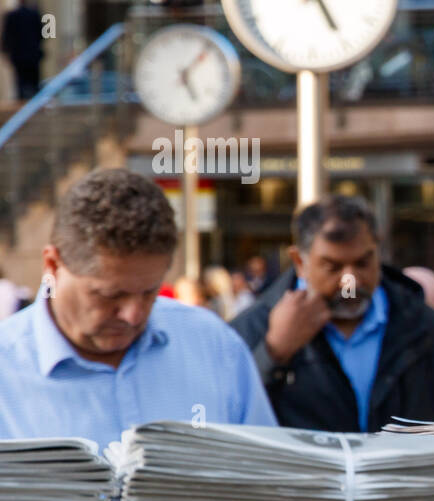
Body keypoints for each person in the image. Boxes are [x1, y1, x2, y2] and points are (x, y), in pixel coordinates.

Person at [0, 168, 276, 454]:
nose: (132, 315)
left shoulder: (216, 347)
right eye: (110, 295)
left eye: (150, 292)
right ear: (53, 265)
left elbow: (269, 478)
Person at [230, 195, 434, 432]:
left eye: (362, 263)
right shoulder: (250, 330)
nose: (350, 281)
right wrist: (272, 354)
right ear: (299, 262)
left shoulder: (430, 329)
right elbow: (228, 422)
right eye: (333, 267)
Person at [1, 0, 43, 99]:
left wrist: (5, 50)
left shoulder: (12, 15)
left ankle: (23, 100)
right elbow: (41, 34)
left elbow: (7, 35)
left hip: (19, 54)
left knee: (21, 81)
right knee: (34, 81)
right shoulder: (34, 14)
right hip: (32, 53)